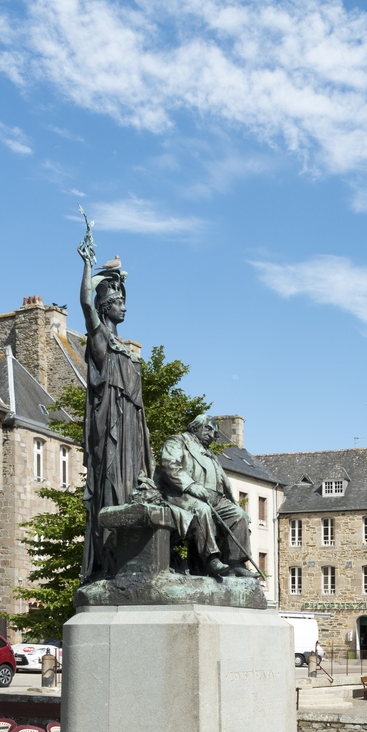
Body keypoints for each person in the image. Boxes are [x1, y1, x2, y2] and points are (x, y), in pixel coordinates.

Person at [78, 236, 153, 581]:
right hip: (110, 427)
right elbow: (85, 302)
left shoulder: (124, 347)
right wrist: (88, 267)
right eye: (118, 302)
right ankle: (111, 560)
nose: (124, 307)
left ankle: (135, 561)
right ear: (105, 307)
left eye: (124, 301)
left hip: (131, 430)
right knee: (112, 486)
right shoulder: (100, 338)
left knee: (134, 485)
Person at [157, 415, 257, 578]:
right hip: (183, 494)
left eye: (215, 433)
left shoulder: (209, 453)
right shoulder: (178, 441)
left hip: (216, 499)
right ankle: (211, 559)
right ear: (195, 427)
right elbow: (169, 465)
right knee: (202, 510)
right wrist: (191, 486)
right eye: (208, 429)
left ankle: (236, 564)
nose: (212, 435)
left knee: (239, 515)